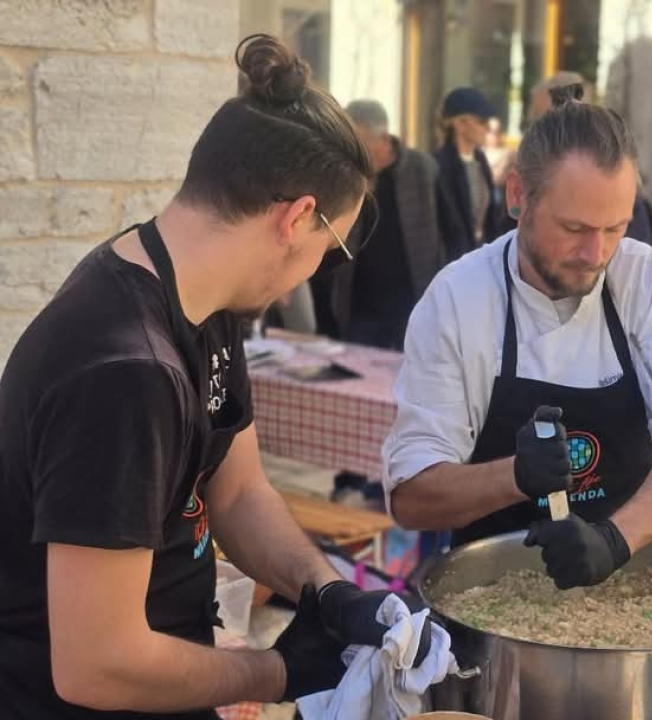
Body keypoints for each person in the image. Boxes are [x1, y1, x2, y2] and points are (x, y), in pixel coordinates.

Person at [0, 34, 440, 718]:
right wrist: (276, 672)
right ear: (296, 219)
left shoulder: (202, 298)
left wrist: (325, 590)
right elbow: (95, 665)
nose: (317, 271)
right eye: (329, 250)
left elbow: (238, 491)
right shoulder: (126, 371)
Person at [382, 87, 652, 589]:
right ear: (517, 196)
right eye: (573, 228)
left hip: (632, 571)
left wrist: (614, 540)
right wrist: (514, 475)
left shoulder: (643, 280)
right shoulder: (459, 299)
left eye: (615, 228)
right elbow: (412, 497)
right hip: (489, 588)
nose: (595, 253)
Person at [329, 98, 445, 349]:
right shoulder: (347, 174)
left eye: (358, 142)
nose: (352, 150)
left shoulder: (422, 169)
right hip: (360, 305)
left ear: (383, 139)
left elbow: (452, 230)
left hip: (413, 302)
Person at [523, 73, 652, 244]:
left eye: (547, 122)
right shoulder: (525, 183)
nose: (534, 134)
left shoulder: (621, 190)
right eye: (534, 123)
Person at [436, 87, 504, 260]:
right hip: (454, 263)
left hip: (482, 258)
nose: (488, 128)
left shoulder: (480, 160)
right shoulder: (440, 164)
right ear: (460, 124)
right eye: (482, 121)